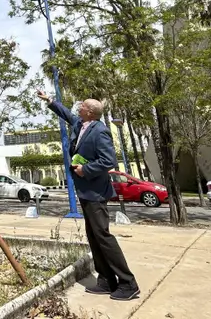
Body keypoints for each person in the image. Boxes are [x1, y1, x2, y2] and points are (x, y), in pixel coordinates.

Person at [37, 90, 140, 301]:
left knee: (103, 236)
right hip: (85, 190)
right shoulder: (81, 125)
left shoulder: (100, 131)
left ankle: (128, 283)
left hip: (95, 191)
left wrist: (86, 170)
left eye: (82, 105)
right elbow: (67, 113)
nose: (78, 107)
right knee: (93, 237)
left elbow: (109, 160)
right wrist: (49, 100)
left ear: (91, 112)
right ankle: (106, 280)